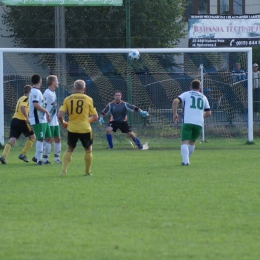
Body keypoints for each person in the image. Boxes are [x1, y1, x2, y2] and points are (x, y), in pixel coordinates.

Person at [58, 79, 98, 176]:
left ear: (74, 88)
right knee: (88, 149)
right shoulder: (88, 99)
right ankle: (87, 172)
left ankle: (63, 171)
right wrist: (85, 121)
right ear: (84, 88)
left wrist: (63, 122)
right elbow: (96, 117)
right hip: (85, 129)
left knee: (70, 149)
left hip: (72, 128)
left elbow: (59, 115)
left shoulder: (67, 99)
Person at [172, 79, 211, 166]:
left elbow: (175, 101)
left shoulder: (187, 94)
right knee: (192, 142)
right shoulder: (203, 97)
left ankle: (186, 161)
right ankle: (185, 160)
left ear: (190, 87)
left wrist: (175, 114)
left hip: (188, 121)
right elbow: (208, 112)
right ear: (200, 88)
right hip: (199, 123)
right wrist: (200, 115)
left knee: (184, 142)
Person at [0, 85, 36, 164]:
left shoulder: (21, 98)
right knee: (33, 138)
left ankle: (3, 156)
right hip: (21, 120)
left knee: (12, 139)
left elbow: (24, 107)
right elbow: (22, 107)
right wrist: (27, 118)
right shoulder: (27, 98)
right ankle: (22, 154)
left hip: (14, 120)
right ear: (30, 92)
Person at [29, 74, 51, 166]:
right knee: (40, 139)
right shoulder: (35, 92)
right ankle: (39, 160)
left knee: (49, 138)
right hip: (37, 119)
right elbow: (36, 105)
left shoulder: (38, 91)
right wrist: (46, 111)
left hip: (43, 119)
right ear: (40, 81)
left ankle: (36, 156)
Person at [40, 75, 62, 164]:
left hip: (54, 120)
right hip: (49, 120)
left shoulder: (53, 92)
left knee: (58, 138)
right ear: (53, 82)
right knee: (49, 139)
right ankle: (44, 159)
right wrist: (46, 117)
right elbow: (43, 106)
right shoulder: (47, 93)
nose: (58, 83)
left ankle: (57, 159)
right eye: (57, 81)